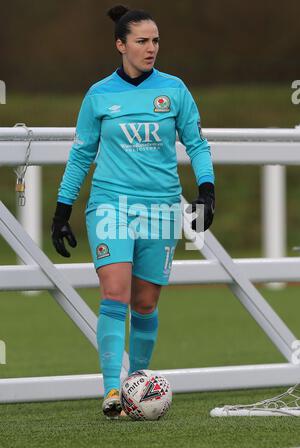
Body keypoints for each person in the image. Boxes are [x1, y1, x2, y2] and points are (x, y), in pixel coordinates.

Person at [51, 4, 215, 419]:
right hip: (110, 204)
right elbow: (81, 153)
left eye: (156, 40)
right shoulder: (99, 94)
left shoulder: (175, 90)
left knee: (144, 304)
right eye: (142, 41)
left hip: (161, 207)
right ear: (120, 45)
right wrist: (62, 208)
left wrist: (207, 192)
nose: (151, 48)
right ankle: (111, 390)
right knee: (115, 292)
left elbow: (196, 143)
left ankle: (135, 389)